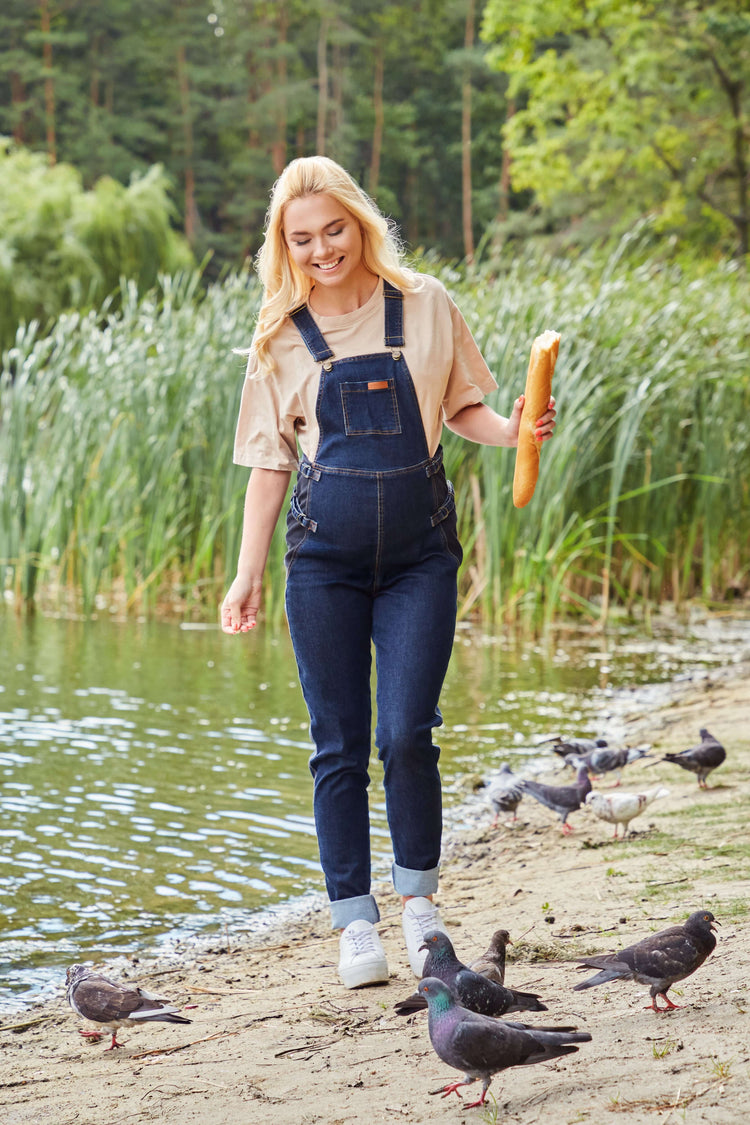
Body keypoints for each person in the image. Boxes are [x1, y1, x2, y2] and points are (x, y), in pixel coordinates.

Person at [220, 156, 556, 990]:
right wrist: (246, 574)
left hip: (419, 558)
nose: (322, 249)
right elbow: (269, 464)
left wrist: (515, 429)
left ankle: (418, 904)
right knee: (336, 743)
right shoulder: (279, 333)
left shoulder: (425, 302)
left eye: (334, 229)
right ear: (284, 246)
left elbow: (462, 406)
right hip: (322, 564)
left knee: (407, 733)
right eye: (302, 238)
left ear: (360, 223)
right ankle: (353, 920)